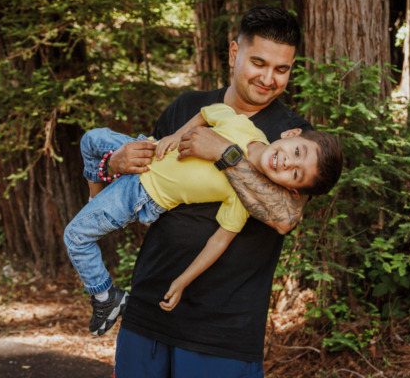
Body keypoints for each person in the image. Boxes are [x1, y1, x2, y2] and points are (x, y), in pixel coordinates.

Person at [103, 6, 319, 377]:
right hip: (147, 308)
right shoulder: (187, 106)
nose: (269, 78)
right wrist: (114, 163)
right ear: (234, 53)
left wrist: (224, 152)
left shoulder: (293, 137)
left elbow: (285, 217)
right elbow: (139, 188)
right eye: (259, 63)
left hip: (223, 330)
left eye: (281, 69)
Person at [64, 103, 342, 336]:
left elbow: (219, 241)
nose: (288, 163)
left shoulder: (246, 195)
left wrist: (183, 280)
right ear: (292, 133)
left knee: (75, 236)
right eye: (297, 152)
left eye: (296, 174)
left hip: (142, 191)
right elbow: (209, 112)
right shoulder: (245, 127)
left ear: (292, 189)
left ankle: (105, 296)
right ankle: (95, 201)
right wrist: (176, 135)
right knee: (92, 139)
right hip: (148, 149)